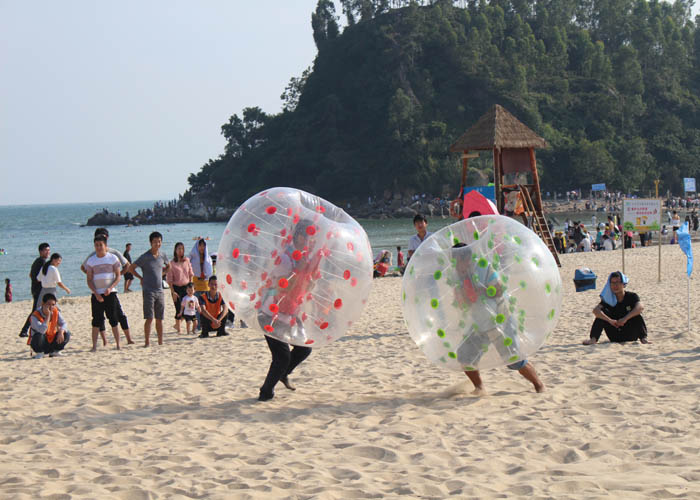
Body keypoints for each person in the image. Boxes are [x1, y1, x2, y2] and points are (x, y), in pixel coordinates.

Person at [451, 243, 545, 394]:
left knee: (514, 360)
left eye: (458, 261)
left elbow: (499, 289)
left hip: (499, 320)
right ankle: (479, 388)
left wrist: (482, 291)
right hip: (478, 323)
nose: (456, 265)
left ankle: (539, 385)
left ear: (467, 259)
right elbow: (462, 305)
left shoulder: (483, 268)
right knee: (464, 357)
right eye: (454, 261)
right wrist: (462, 297)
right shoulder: (457, 277)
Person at [257, 221, 318, 401]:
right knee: (281, 357)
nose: (311, 241)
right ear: (299, 237)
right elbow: (280, 286)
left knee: (304, 348)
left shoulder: (303, 258)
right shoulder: (285, 259)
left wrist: (309, 280)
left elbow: (303, 288)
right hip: (271, 313)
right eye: (308, 237)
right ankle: (265, 393)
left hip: (290, 312)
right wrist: (299, 271)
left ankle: (283, 374)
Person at [81, 228, 134, 346]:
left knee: (118, 315)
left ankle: (128, 339)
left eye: (103, 238)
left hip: (111, 290)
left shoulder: (114, 253)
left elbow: (127, 265)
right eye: (97, 241)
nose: (99, 246)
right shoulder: (93, 255)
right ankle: (104, 341)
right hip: (97, 291)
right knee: (98, 318)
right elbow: (84, 268)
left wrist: (118, 276)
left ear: (107, 239)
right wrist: (93, 277)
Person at [127, 231, 170, 347]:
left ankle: (160, 342)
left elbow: (169, 266)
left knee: (159, 318)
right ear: (151, 243)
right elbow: (131, 268)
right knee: (149, 318)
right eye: (155, 242)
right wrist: (140, 278)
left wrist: (162, 274)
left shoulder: (162, 255)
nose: (157, 244)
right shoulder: (145, 257)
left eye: (159, 241)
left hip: (160, 290)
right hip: (148, 291)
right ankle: (147, 342)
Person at [583, 271, 649, 345]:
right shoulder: (608, 299)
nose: (615, 285)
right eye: (613, 283)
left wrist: (625, 319)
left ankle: (643, 339)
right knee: (601, 314)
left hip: (630, 334)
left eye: (618, 282)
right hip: (614, 333)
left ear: (623, 284)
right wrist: (610, 320)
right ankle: (593, 339)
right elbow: (596, 310)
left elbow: (640, 307)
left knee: (637, 315)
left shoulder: (631, 296)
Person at [85, 234, 122, 352]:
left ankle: (118, 344)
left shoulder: (113, 258)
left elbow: (118, 276)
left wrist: (110, 288)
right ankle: (94, 346)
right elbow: (89, 279)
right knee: (96, 320)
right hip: (97, 294)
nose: (98, 247)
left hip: (110, 293)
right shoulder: (91, 260)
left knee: (113, 319)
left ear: (105, 245)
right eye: (96, 245)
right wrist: (96, 293)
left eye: (101, 245)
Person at [19, 242, 50, 337]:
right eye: (46, 250)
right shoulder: (42, 262)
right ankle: (24, 330)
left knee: (40, 310)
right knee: (36, 311)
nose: (48, 252)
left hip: (35, 289)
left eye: (49, 250)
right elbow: (42, 277)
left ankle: (37, 329)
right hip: (39, 290)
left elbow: (30, 275)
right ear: (41, 251)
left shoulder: (37, 261)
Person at [28, 293, 71, 358]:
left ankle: (55, 351)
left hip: (51, 341)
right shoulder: (35, 316)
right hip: (39, 343)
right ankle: (40, 353)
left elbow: (64, 323)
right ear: (43, 303)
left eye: (53, 305)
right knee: (39, 334)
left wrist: (61, 331)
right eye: (48, 304)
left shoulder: (56, 311)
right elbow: (42, 331)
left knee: (66, 333)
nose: (51, 307)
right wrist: (48, 316)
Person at [166, 242, 194, 334]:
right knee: (178, 308)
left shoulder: (187, 261)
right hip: (176, 288)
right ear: (175, 250)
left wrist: (191, 286)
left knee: (188, 307)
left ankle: (178, 325)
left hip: (186, 287)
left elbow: (190, 274)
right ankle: (179, 329)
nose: (180, 250)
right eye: (179, 249)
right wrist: (173, 291)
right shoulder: (172, 263)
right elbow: (169, 279)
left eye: (182, 248)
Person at [189, 239, 213, 329]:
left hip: (206, 284)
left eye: (203, 245)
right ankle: (198, 325)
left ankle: (206, 324)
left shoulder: (208, 258)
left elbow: (210, 272)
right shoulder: (192, 258)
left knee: (206, 306)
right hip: (196, 283)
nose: (202, 247)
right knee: (197, 306)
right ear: (197, 246)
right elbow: (188, 268)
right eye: (200, 245)